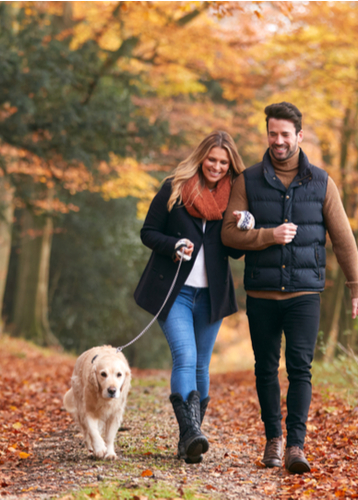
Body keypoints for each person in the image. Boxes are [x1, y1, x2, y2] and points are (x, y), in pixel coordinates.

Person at [221, 102, 358, 474]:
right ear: (267, 134)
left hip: (305, 294)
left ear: (299, 136)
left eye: (286, 134)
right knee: (266, 369)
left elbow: (344, 239)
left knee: (301, 369)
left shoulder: (321, 182)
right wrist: (268, 236)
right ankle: (273, 439)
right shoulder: (248, 181)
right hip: (261, 294)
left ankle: (296, 446)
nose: (279, 141)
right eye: (273, 133)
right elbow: (228, 235)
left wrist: (357, 289)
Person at [134, 131, 250, 464]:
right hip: (175, 292)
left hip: (212, 296)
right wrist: (172, 245)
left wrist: (243, 226)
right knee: (185, 355)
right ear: (201, 158)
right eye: (212, 159)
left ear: (230, 166)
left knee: (201, 363)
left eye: (223, 162)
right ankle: (190, 434)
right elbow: (148, 232)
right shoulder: (175, 187)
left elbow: (236, 253)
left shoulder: (234, 198)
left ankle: (191, 439)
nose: (216, 166)